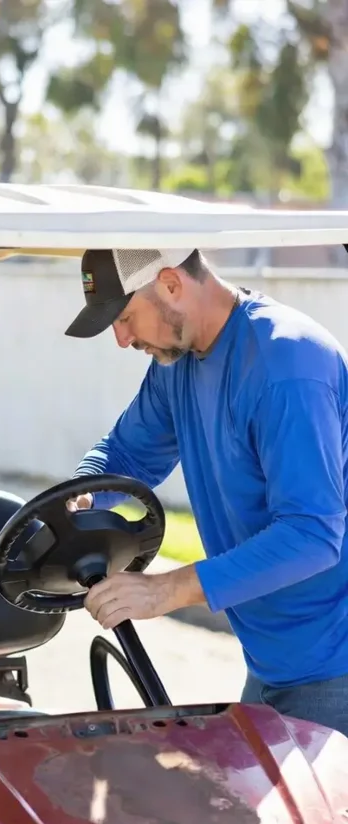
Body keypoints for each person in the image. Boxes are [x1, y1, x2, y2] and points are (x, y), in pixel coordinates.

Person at [65, 246, 348, 732]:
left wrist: (165, 591)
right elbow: (126, 456)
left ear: (172, 284)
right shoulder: (177, 367)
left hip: (334, 667)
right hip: (271, 660)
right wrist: (80, 498)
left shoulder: (287, 365)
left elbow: (312, 534)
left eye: (127, 316)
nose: (122, 338)